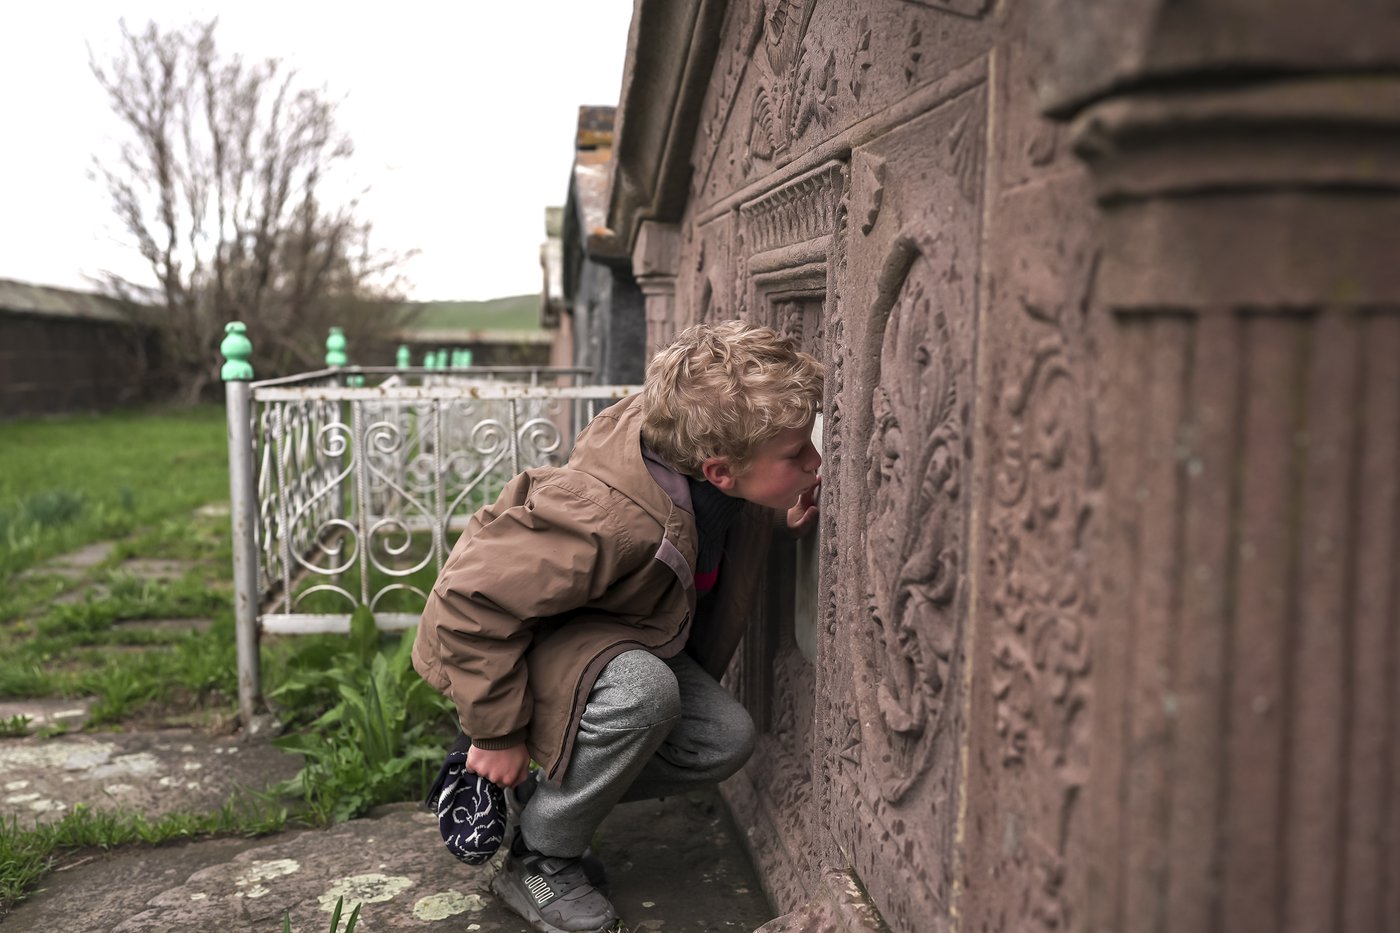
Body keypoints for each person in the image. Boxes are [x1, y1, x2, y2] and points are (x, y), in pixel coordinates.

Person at [412, 320, 823, 933]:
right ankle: (541, 858)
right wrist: (497, 733)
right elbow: (470, 603)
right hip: (536, 652)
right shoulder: (607, 518)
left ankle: (540, 791)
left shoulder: (698, 439)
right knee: (643, 694)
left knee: (722, 739)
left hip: (621, 637)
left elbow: (715, 525)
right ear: (719, 473)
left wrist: (778, 520)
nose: (816, 461)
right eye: (797, 454)